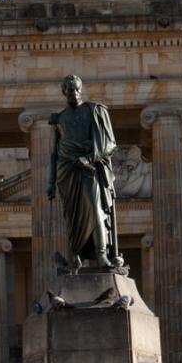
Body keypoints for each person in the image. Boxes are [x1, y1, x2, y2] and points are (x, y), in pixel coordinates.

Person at [47, 75, 117, 270]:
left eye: (76, 89)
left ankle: (102, 255)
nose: (74, 94)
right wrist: (50, 182)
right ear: (64, 93)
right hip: (66, 172)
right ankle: (75, 257)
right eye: (69, 91)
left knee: (96, 211)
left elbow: (110, 144)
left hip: (89, 168)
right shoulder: (59, 119)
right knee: (72, 219)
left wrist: (89, 158)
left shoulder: (94, 111)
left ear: (81, 90)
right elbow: (54, 153)